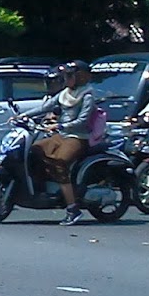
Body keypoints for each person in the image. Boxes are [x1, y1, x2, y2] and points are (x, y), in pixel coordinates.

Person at [26, 59, 97, 225]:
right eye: (66, 76)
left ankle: (73, 208)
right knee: (35, 150)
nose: (67, 79)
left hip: (78, 137)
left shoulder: (87, 95)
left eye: (70, 76)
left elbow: (83, 120)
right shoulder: (65, 93)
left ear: (81, 77)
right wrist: (24, 115)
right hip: (61, 134)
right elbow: (45, 107)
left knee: (60, 162)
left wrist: (60, 124)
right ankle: (49, 189)